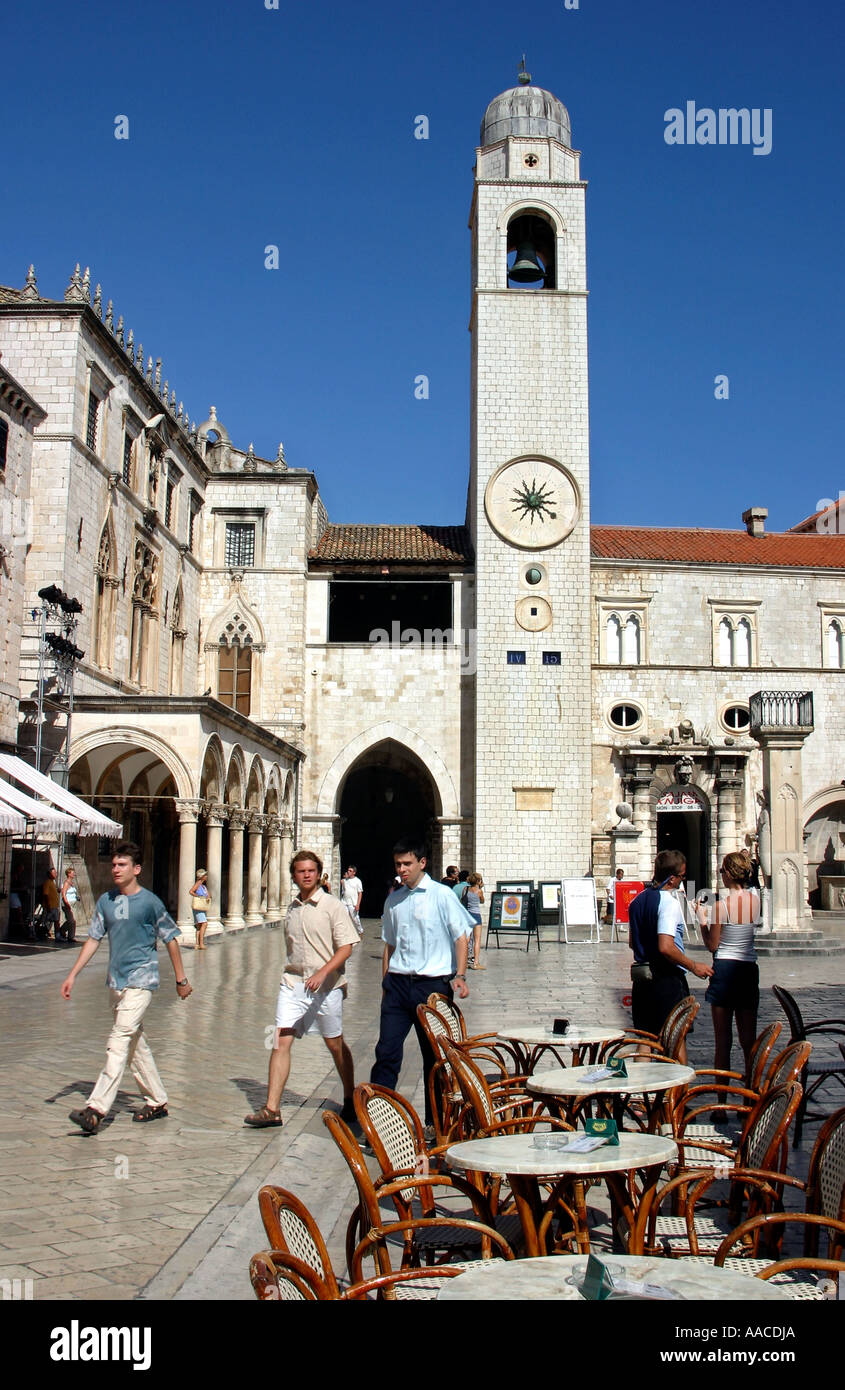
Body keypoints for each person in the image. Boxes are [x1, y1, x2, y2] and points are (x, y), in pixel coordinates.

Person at [61, 841, 192, 1134]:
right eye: (114, 864)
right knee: (134, 1045)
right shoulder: (106, 901)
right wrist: (72, 975)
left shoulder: (150, 902)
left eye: (122, 865)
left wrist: (181, 980)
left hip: (141, 981)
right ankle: (157, 1100)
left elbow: (171, 938)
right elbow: (94, 939)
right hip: (116, 982)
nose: (115, 869)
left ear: (137, 869)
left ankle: (96, 1109)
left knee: (118, 1041)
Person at [245, 850, 359, 1128]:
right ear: (294, 875)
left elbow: (346, 947)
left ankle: (349, 1096)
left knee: (334, 1044)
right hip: (294, 983)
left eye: (311, 870)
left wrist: (323, 972)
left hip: (327, 986)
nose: (306, 875)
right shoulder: (292, 908)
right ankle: (272, 1109)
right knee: (280, 1039)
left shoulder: (333, 906)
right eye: (300, 871)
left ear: (319, 873)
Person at [371, 837, 475, 1128]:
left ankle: (437, 1124)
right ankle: (382, 1121)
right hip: (398, 985)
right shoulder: (394, 900)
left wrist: (461, 975)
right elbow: (389, 946)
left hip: (432, 988)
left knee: (435, 1057)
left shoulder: (442, 895)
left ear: (422, 863)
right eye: (397, 865)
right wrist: (385, 985)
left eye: (406, 864)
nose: (401, 870)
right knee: (386, 1052)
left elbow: (460, 936)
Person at [627, 849, 713, 1063]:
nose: (683, 880)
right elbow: (666, 946)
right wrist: (694, 966)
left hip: (642, 978)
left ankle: (641, 1092)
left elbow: (631, 942)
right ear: (672, 878)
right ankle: (676, 1093)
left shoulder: (637, 901)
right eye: (683, 876)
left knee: (645, 1039)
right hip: (666, 980)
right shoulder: (669, 903)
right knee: (675, 1039)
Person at [696, 851, 761, 1084]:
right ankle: (751, 1095)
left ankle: (722, 1102)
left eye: (722, 871)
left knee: (723, 1040)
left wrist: (702, 921)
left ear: (730, 875)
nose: (721, 875)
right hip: (748, 968)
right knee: (748, 1041)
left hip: (725, 969)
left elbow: (713, 946)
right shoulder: (756, 901)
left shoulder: (722, 907)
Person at [465, 873, 485, 970]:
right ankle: (476, 963)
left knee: (467, 939)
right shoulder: (479, 891)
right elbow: (482, 901)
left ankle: (464, 961)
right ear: (478, 881)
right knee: (477, 940)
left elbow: (463, 899)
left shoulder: (466, 889)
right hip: (476, 915)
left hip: (467, 915)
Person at [340, 864, 364, 936]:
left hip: (353, 903)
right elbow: (343, 888)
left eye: (350, 871)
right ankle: (346, 933)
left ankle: (360, 931)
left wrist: (358, 904)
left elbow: (360, 893)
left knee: (355, 919)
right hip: (344, 902)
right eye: (348, 870)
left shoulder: (357, 881)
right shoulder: (344, 880)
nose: (348, 872)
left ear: (354, 872)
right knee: (344, 917)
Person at [190, 869, 210, 949]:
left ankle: (197, 944)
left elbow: (208, 895)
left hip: (202, 907)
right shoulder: (198, 883)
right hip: (198, 907)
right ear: (202, 877)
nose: (206, 877)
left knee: (199, 925)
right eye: (205, 875)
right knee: (204, 923)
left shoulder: (203, 886)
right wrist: (198, 896)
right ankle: (201, 943)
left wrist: (207, 896)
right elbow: (191, 891)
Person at [60, 865, 79, 943]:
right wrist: (66, 903)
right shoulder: (67, 883)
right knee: (71, 920)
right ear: (69, 874)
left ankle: (71, 936)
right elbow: (63, 893)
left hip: (73, 904)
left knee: (73, 921)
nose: (74, 874)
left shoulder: (72, 883)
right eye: (72, 873)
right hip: (67, 904)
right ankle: (61, 931)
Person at [42, 866, 60, 940]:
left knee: (56, 921)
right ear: (49, 874)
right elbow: (45, 894)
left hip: (54, 906)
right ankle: (42, 933)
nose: (56, 874)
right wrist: (48, 905)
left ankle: (57, 936)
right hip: (50, 906)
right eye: (54, 873)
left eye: (56, 873)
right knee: (46, 921)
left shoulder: (52, 882)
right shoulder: (47, 883)